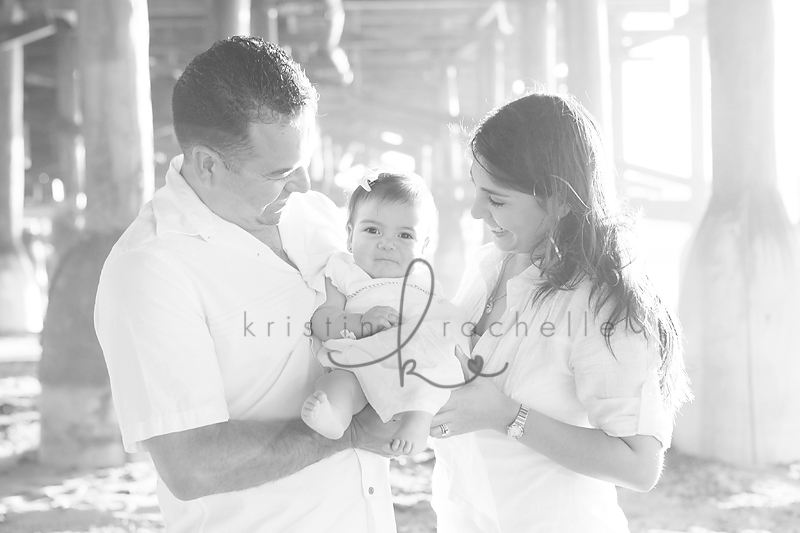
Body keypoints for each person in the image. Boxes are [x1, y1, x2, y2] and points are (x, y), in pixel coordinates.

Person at [93, 36, 397, 533]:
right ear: (208, 163)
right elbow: (192, 464)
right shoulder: (150, 269)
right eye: (280, 173)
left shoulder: (313, 214)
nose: (302, 185)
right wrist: (353, 432)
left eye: (304, 163)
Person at [429, 92, 692, 533]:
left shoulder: (601, 303)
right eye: (477, 190)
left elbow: (640, 465)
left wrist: (506, 416)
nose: (476, 212)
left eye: (496, 200)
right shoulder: (489, 263)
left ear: (559, 200)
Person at [301, 170, 467, 455]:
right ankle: (335, 416)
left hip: (411, 362)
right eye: (373, 230)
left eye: (404, 235)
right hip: (359, 361)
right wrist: (360, 323)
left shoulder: (423, 282)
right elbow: (321, 320)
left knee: (432, 370)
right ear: (350, 235)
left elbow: (445, 321)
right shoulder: (344, 273)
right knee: (337, 382)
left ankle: (417, 419)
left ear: (424, 246)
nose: (387, 242)